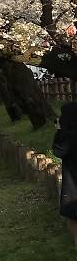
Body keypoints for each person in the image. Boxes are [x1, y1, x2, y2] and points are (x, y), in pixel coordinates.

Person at [54, 102, 77, 246]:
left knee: (74, 220)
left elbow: (58, 150)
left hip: (74, 187)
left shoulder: (69, 137)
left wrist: (59, 130)